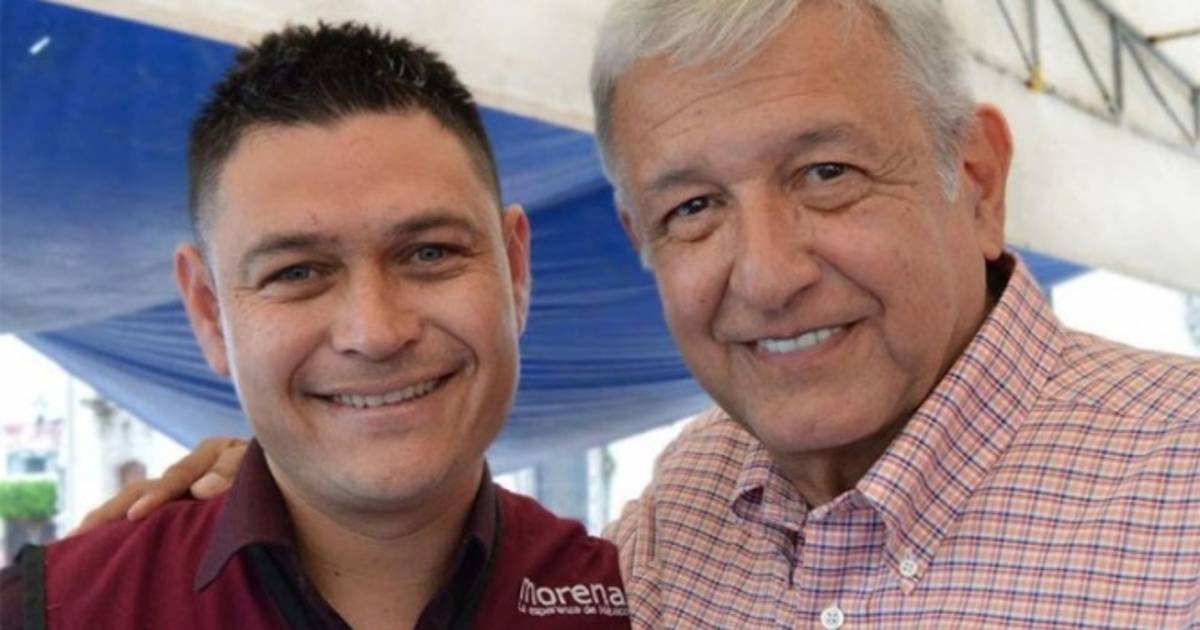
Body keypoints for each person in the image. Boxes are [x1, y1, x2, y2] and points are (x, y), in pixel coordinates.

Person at [62, 1, 1200, 628]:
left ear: (979, 181)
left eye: (827, 174)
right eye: (693, 206)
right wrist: (266, 488)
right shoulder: (675, 530)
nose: (767, 274)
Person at [0, 23, 628, 630]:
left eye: (429, 252)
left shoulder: (635, 603)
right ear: (209, 312)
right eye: (297, 272)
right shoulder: (62, 610)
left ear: (514, 269)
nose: (376, 333)